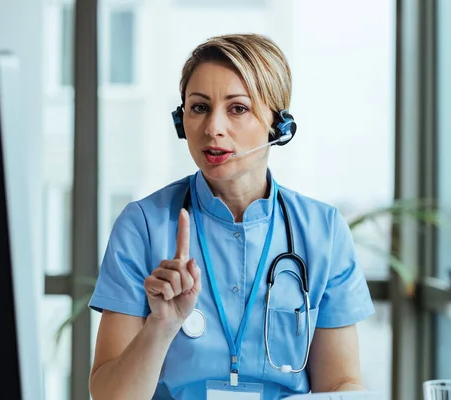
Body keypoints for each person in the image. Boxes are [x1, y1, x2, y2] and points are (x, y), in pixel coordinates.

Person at [88, 33, 375, 400]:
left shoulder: (324, 231)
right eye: (199, 107)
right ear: (181, 122)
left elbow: (339, 384)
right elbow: (110, 396)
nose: (213, 129)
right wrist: (161, 325)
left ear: (278, 124)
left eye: (237, 108)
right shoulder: (143, 225)